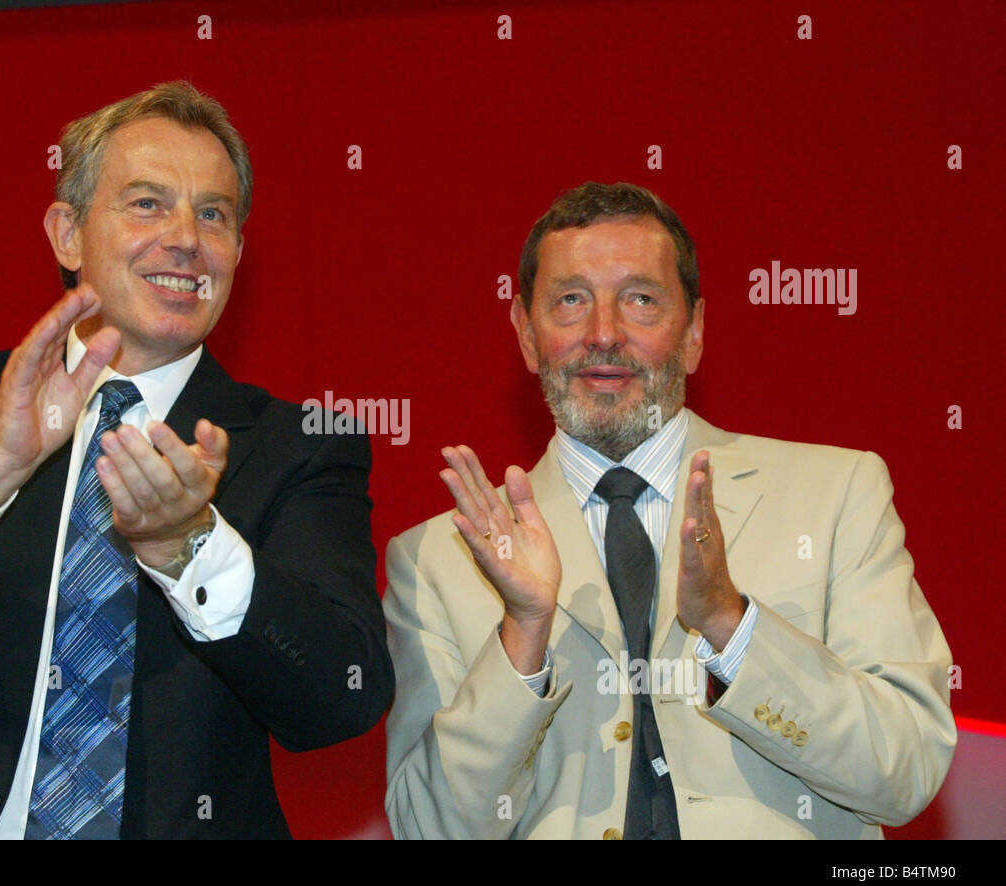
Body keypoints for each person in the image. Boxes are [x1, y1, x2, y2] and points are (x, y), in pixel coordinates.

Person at [0, 81, 393, 839]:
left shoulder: (300, 447)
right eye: (148, 203)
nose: (186, 237)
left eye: (214, 214)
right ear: (67, 234)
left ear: (237, 253)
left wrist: (190, 546)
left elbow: (341, 700)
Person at [382, 181, 955, 839]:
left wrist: (730, 626)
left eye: (641, 300)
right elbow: (429, 831)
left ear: (694, 332)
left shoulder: (836, 494)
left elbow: (905, 770)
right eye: (570, 301)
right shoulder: (436, 558)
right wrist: (523, 631)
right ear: (526, 334)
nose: (604, 334)